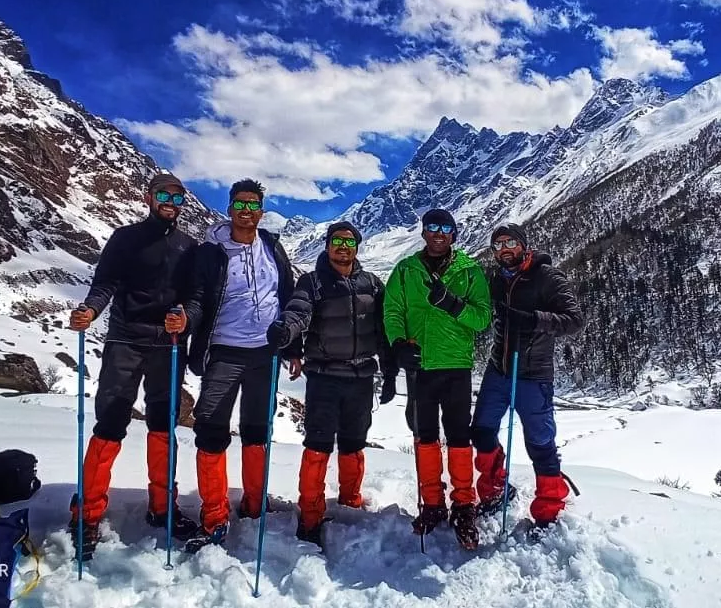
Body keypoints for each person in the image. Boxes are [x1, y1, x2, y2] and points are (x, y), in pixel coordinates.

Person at [67, 173, 199, 559]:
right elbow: (105, 282)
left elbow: (195, 297)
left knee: (163, 424)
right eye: (163, 194)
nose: (170, 201)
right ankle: (86, 513)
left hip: (167, 345)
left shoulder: (189, 247)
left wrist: (186, 318)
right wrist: (90, 309)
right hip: (125, 340)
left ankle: (163, 507)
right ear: (148, 197)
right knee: (109, 420)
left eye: (177, 196)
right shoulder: (125, 238)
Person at [181, 179, 296, 551]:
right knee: (212, 428)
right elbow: (198, 297)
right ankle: (214, 514)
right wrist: (187, 320)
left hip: (266, 353)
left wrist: (294, 345)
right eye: (240, 204)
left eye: (254, 205)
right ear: (229, 208)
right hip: (224, 351)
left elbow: (288, 297)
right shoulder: (211, 252)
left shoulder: (273, 248)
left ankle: (254, 502)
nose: (247, 211)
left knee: (256, 429)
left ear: (261, 211)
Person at [270, 221, 395, 549]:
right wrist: (287, 332)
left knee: (355, 443)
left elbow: (385, 328)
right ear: (327, 246)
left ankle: (350, 500)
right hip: (324, 378)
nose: (343, 246)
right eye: (337, 241)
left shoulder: (372, 284)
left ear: (357, 247)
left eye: (349, 241)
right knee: (318, 444)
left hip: (361, 378)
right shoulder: (312, 282)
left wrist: (396, 362)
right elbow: (298, 312)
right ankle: (310, 515)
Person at [382, 208, 491, 550]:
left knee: (459, 437)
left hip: (456, 366)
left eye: (445, 227)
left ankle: (464, 504)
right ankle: (432, 504)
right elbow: (392, 311)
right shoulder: (405, 270)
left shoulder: (470, 271)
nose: (438, 233)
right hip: (420, 366)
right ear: (424, 232)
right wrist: (398, 343)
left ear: (454, 233)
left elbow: (482, 318)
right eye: (432, 226)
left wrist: (453, 305)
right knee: (424, 435)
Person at [471, 224, 584, 529]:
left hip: (533, 374)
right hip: (499, 369)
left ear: (523, 245)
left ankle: (549, 509)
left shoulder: (547, 277)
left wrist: (533, 320)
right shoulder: (495, 279)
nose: (503, 249)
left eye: (509, 242)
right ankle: (496, 490)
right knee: (481, 432)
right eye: (497, 245)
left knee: (540, 443)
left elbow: (575, 321)